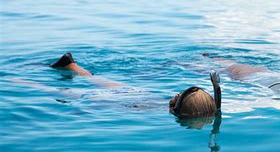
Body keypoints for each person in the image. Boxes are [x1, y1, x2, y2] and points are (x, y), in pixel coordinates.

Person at [50, 52, 221, 119]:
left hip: (137, 92)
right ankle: (23, 82)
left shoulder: (172, 104)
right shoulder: (166, 112)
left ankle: (71, 66)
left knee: (96, 78)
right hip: (123, 101)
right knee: (61, 93)